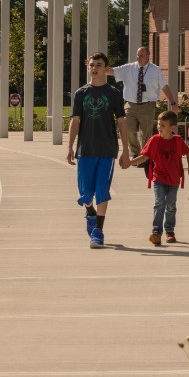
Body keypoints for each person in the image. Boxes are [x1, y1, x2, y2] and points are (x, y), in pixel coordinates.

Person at [67, 52, 131, 249]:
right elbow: (75, 120)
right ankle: (90, 212)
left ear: (106, 68)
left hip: (107, 149)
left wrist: (126, 151)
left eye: (99, 65)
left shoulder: (113, 94)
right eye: (92, 65)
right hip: (85, 149)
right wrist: (69, 146)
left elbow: (121, 122)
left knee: (102, 190)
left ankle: (98, 232)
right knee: (85, 193)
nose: (94, 68)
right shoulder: (81, 93)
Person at [128, 111, 189, 245]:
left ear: (172, 127)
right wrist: (130, 162)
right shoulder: (154, 140)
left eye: (163, 125)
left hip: (174, 179)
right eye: (159, 124)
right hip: (158, 178)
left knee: (171, 205)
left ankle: (170, 231)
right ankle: (156, 232)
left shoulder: (177, 141)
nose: (159, 127)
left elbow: (188, 152)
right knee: (159, 203)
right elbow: (145, 156)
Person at [105, 46, 178, 160]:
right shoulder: (129, 68)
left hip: (147, 106)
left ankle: (145, 155)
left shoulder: (155, 70)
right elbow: (110, 71)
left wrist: (173, 103)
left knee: (146, 132)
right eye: (138, 55)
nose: (139, 57)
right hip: (130, 104)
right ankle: (134, 152)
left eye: (142, 55)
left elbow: (164, 87)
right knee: (128, 128)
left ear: (148, 56)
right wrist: (95, 65)